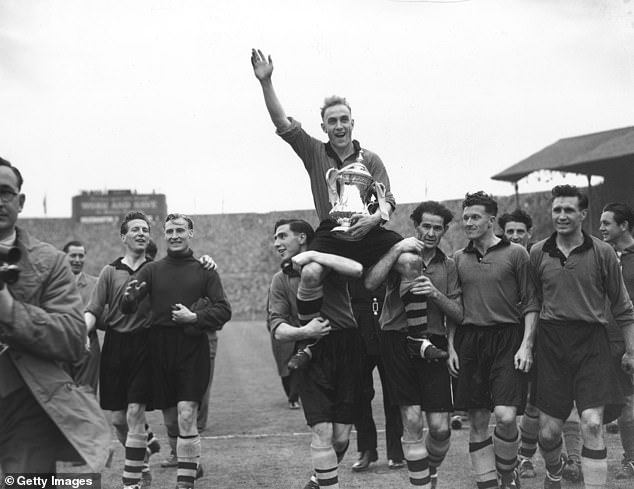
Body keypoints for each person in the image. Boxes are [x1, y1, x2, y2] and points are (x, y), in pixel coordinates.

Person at [251, 49, 444, 364]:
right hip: (333, 231)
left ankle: (417, 339)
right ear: (324, 127)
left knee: (411, 261)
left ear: (352, 123)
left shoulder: (370, 159)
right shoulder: (314, 152)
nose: (338, 126)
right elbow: (281, 122)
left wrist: (373, 220)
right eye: (332, 121)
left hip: (369, 230)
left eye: (343, 119)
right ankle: (310, 342)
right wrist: (266, 82)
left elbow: (388, 200)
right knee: (311, 273)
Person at [0, 157, 111, 473]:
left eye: (4, 191)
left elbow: (75, 339)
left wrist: (11, 311)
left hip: (26, 406)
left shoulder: (50, 262)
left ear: (20, 201)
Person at [530, 185, 634, 489]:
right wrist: (527, 345)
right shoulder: (537, 252)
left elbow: (623, 307)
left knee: (591, 422)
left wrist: (630, 350)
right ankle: (553, 472)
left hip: (592, 342)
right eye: (557, 210)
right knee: (548, 433)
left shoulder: (603, 253)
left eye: (569, 210)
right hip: (550, 343)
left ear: (583, 214)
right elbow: (532, 303)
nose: (561, 216)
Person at [122, 213, 231, 489]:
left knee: (186, 413)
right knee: (171, 419)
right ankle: (191, 463)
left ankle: (185, 485)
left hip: (191, 347)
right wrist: (129, 297)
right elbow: (128, 305)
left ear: (190, 233)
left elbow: (224, 309)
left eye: (180, 230)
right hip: (158, 348)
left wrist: (194, 319)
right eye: (169, 231)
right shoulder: (153, 270)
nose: (174, 236)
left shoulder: (205, 270)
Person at [365, 200, 462, 488]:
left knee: (440, 429)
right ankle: (420, 484)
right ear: (415, 227)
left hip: (434, 343)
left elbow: (458, 313)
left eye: (437, 228)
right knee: (412, 420)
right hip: (396, 341)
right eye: (426, 226)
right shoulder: (399, 258)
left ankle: (429, 472)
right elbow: (370, 283)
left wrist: (434, 293)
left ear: (444, 231)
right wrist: (396, 249)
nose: (431, 233)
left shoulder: (449, 265)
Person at [448, 191, 539, 489]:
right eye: (465, 218)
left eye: (475, 217)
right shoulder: (458, 259)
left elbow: (530, 302)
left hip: (507, 339)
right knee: (476, 421)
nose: (469, 223)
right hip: (470, 341)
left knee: (506, 416)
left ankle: (507, 474)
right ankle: (488, 482)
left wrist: (526, 344)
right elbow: (454, 308)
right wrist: (450, 346)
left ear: (491, 220)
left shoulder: (516, 253)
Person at [267, 218, 365, 489]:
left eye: (282, 236)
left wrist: (315, 255)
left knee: (341, 438)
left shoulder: (326, 266)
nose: (277, 243)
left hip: (347, 347)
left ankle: (316, 479)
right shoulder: (280, 279)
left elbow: (357, 269)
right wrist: (304, 331)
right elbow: (277, 329)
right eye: (275, 238)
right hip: (310, 352)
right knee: (322, 431)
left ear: (302, 238)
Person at [85, 211, 156, 489]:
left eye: (145, 229)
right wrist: (83, 330)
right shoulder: (109, 271)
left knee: (134, 411)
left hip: (145, 344)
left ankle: (132, 483)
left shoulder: (156, 270)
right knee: (118, 420)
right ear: (123, 236)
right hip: (115, 344)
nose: (141, 233)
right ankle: (143, 461)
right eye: (135, 229)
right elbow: (93, 309)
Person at [348, 278, 404, 472]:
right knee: (358, 392)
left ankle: (396, 451)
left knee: (393, 392)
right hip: (357, 328)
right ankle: (366, 449)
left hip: (388, 324)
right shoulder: (350, 253)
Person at [599, 202, 634, 481]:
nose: (601, 228)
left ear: (623, 226)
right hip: (610, 340)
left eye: (607, 223)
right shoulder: (602, 255)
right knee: (625, 403)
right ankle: (631, 459)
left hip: (632, 340)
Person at [64, 240, 100, 392]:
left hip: (88, 347)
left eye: (81, 255)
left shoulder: (96, 284)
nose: (77, 260)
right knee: (62, 394)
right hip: (61, 344)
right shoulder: (54, 284)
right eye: (73, 255)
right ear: (64, 257)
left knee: (87, 395)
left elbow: (104, 316)